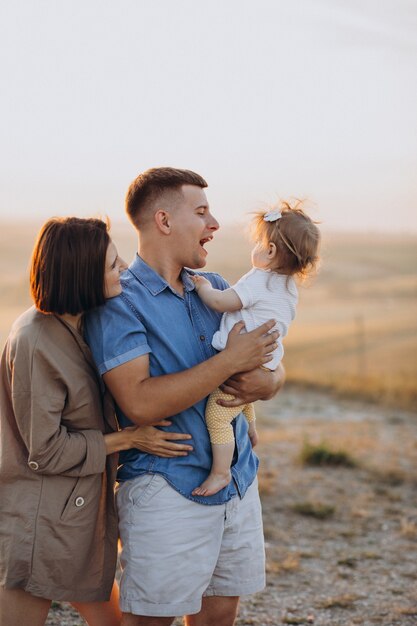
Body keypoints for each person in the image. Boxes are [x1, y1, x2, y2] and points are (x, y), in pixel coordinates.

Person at [85, 167, 284, 626]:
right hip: (166, 488)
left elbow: (268, 356)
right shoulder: (120, 302)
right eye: (201, 212)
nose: (214, 224)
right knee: (152, 621)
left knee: (221, 614)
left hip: (238, 482)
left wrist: (271, 383)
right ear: (164, 221)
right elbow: (138, 402)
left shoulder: (213, 286)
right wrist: (230, 362)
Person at [0, 217, 193, 626]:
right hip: (37, 519)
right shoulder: (35, 340)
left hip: (76, 511)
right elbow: (46, 451)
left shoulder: (86, 324)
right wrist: (129, 439)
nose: (124, 267)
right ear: (81, 275)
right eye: (111, 264)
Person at [191, 202, 321, 497]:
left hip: (243, 361)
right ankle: (250, 428)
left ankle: (221, 472)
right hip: (264, 364)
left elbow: (222, 303)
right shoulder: (288, 287)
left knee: (218, 414)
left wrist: (202, 288)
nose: (256, 249)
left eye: (259, 243)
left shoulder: (258, 279)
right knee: (242, 396)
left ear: (271, 251)